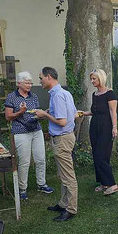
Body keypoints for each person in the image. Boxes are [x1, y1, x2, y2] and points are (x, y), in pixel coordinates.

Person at [35, 67, 78, 222]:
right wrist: (50, 112)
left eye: (41, 78)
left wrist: (45, 115)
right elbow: (73, 114)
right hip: (65, 137)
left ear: (49, 77)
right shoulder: (64, 93)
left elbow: (62, 121)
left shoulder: (58, 95)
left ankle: (71, 209)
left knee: (68, 176)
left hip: (62, 139)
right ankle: (63, 203)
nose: (39, 81)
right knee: (63, 174)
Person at [4, 71, 54, 201]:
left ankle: (41, 184)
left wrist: (41, 114)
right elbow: (8, 116)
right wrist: (21, 112)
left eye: (31, 83)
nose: (30, 85)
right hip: (21, 132)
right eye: (27, 83)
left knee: (40, 159)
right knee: (25, 161)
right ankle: (22, 189)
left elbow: (36, 112)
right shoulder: (11, 97)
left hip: (36, 130)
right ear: (19, 83)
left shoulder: (34, 97)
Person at [80, 69, 118, 196]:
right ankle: (103, 183)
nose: (92, 81)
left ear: (100, 78)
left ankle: (113, 184)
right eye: (91, 79)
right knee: (96, 154)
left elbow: (113, 112)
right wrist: (84, 113)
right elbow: (95, 111)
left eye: (94, 79)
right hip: (95, 126)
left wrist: (114, 127)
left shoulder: (110, 93)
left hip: (106, 127)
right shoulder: (94, 94)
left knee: (102, 155)